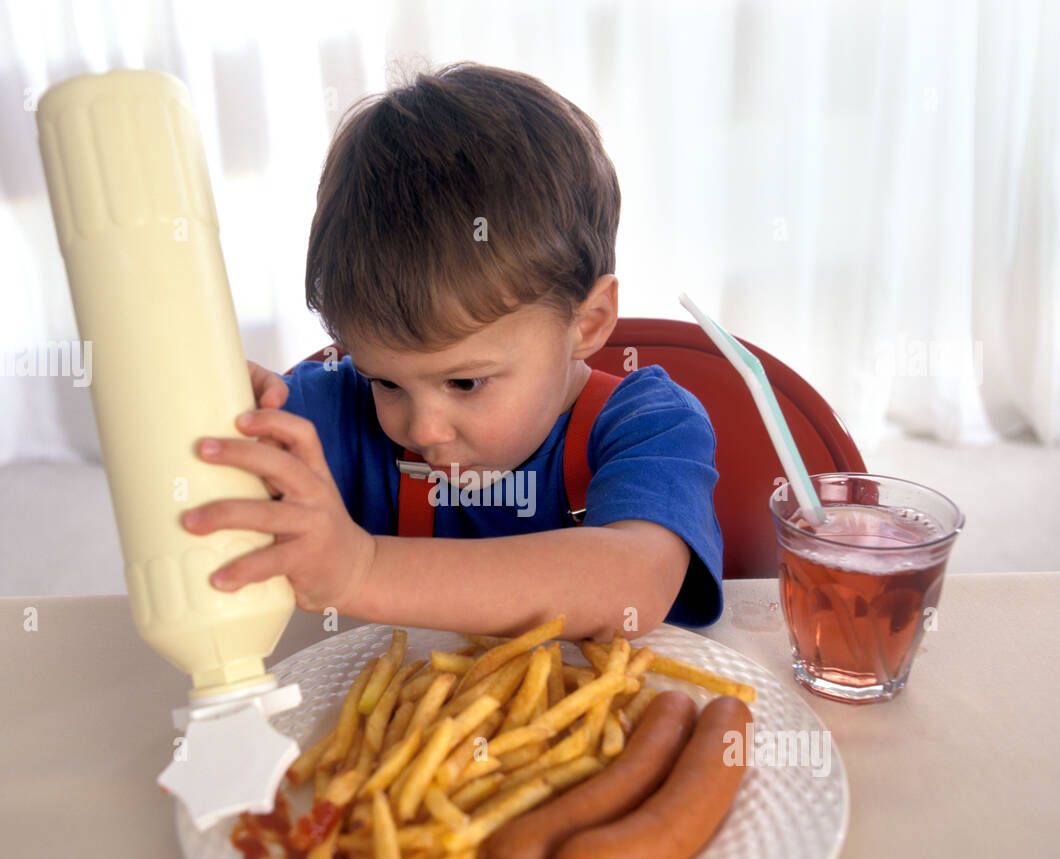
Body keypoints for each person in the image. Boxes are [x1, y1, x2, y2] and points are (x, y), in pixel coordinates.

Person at [180, 62, 722, 643]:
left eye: (464, 384)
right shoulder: (333, 411)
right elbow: (196, 482)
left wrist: (359, 568)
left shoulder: (650, 425)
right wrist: (207, 418)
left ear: (586, 323)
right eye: (385, 382)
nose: (424, 429)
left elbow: (630, 582)